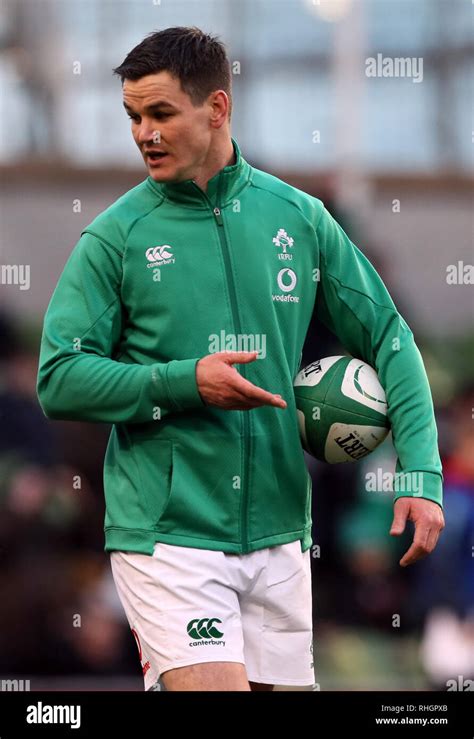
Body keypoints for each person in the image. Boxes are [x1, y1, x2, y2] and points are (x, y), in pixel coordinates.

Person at [37, 26, 445, 692]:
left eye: (161, 113)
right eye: (134, 117)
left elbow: (390, 337)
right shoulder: (114, 238)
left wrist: (421, 471)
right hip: (168, 538)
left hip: (283, 533)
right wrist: (185, 382)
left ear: (217, 109)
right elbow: (58, 377)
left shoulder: (300, 218)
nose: (144, 133)